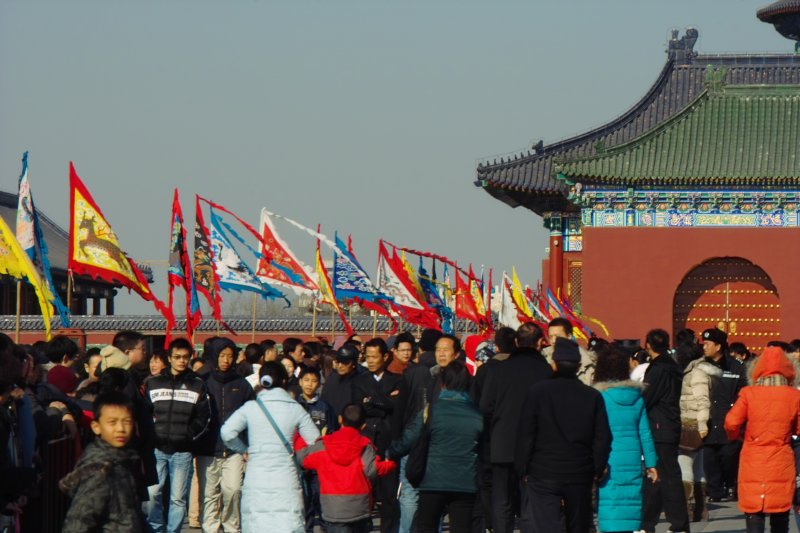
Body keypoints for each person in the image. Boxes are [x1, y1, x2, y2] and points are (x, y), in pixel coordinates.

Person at [515, 337, 611, 533]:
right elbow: (603, 437)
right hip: (579, 470)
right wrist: (596, 468)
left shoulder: (538, 392)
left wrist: (522, 467)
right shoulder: (592, 396)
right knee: (578, 525)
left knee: (546, 525)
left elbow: (526, 433)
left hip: (543, 470)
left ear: (554, 364)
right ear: (577, 366)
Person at [220, 361, 320, 533]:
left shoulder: (251, 407)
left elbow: (227, 432)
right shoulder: (295, 409)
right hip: (286, 479)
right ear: (284, 381)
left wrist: (244, 449)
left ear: (262, 381)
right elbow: (314, 439)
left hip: (256, 477)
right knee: (288, 524)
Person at [389, 361, 483, 533]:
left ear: (443, 384)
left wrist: (392, 452)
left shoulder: (430, 411)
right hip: (465, 480)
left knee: (426, 526)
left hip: (433, 479)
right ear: (468, 384)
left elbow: (410, 438)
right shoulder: (477, 415)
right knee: (462, 528)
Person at [480, 322, 552, 533]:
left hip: (502, 443)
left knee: (502, 500)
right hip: (535, 446)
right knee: (529, 501)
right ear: (540, 342)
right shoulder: (546, 371)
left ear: (517, 342)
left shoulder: (500, 370)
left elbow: (485, 406)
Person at [725, 346, 800, 533]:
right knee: (780, 511)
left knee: (754, 510)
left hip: (753, 456)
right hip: (781, 457)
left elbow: (731, 422)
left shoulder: (748, 393)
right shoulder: (794, 396)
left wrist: (737, 437)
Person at [143, 337, 211, 533]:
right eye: (177, 357)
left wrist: (188, 436)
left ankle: (173, 531)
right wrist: (151, 436)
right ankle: (156, 528)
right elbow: (145, 413)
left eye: (185, 357)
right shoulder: (153, 383)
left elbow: (204, 417)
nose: (182, 361)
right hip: (157, 448)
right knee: (153, 493)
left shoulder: (197, 384)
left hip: (183, 451)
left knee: (178, 498)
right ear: (169, 358)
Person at [300, 403, 397, 533]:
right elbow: (371, 470)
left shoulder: (324, 445)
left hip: (333, 510)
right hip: (360, 508)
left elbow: (302, 459)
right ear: (363, 426)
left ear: (340, 419)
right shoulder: (365, 447)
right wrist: (390, 464)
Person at [592, 344, 658, 533]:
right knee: (631, 502)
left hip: (608, 458)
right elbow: (644, 432)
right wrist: (652, 463)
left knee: (609, 503)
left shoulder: (599, 396)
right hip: (632, 459)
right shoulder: (636, 396)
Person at [60, 391, 144, 532]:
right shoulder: (100, 469)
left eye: (127, 422)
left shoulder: (123, 461)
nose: (120, 429)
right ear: (96, 427)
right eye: (112, 422)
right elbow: (77, 524)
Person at [195, 337, 255, 533]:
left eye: (231, 356)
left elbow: (250, 416)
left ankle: (231, 527)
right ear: (214, 357)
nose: (226, 360)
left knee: (233, 490)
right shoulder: (203, 382)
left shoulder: (242, 385)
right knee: (208, 494)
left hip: (234, 450)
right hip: (207, 448)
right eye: (222, 355)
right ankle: (209, 527)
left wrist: (246, 445)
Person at [640, 329, 691, 533]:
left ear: (648, 345)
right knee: (658, 475)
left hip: (660, 427)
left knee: (667, 476)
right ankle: (648, 522)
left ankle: (678, 523)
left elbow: (647, 396)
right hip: (668, 425)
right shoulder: (671, 366)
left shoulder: (659, 368)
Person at [352, 338, 403, 533]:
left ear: (386, 356)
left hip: (388, 440)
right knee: (365, 491)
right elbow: (358, 407)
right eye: (368, 357)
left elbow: (397, 406)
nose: (370, 361)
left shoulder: (397, 380)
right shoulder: (359, 380)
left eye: (375, 356)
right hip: (366, 442)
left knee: (390, 494)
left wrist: (372, 402)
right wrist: (385, 401)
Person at [701, 327, 747, 503]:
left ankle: (731, 485)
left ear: (718, 346)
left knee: (729, 456)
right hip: (708, 420)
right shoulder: (701, 366)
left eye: (707, 344)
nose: (704, 347)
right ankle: (714, 491)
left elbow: (743, 394)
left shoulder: (737, 367)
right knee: (710, 457)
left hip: (729, 421)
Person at [676, 336, 715, 522]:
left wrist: (701, 424)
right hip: (695, 424)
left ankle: (688, 508)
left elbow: (702, 401)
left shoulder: (696, 373)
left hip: (691, 423)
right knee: (698, 467)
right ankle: (701, 508)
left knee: (685, 465)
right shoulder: (696, 370)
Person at [542, 317, 596, 385]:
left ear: (569, 336)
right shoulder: (542, 358)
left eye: (557, 336)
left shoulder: (587, 363)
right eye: (550, 337)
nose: (553, 341)